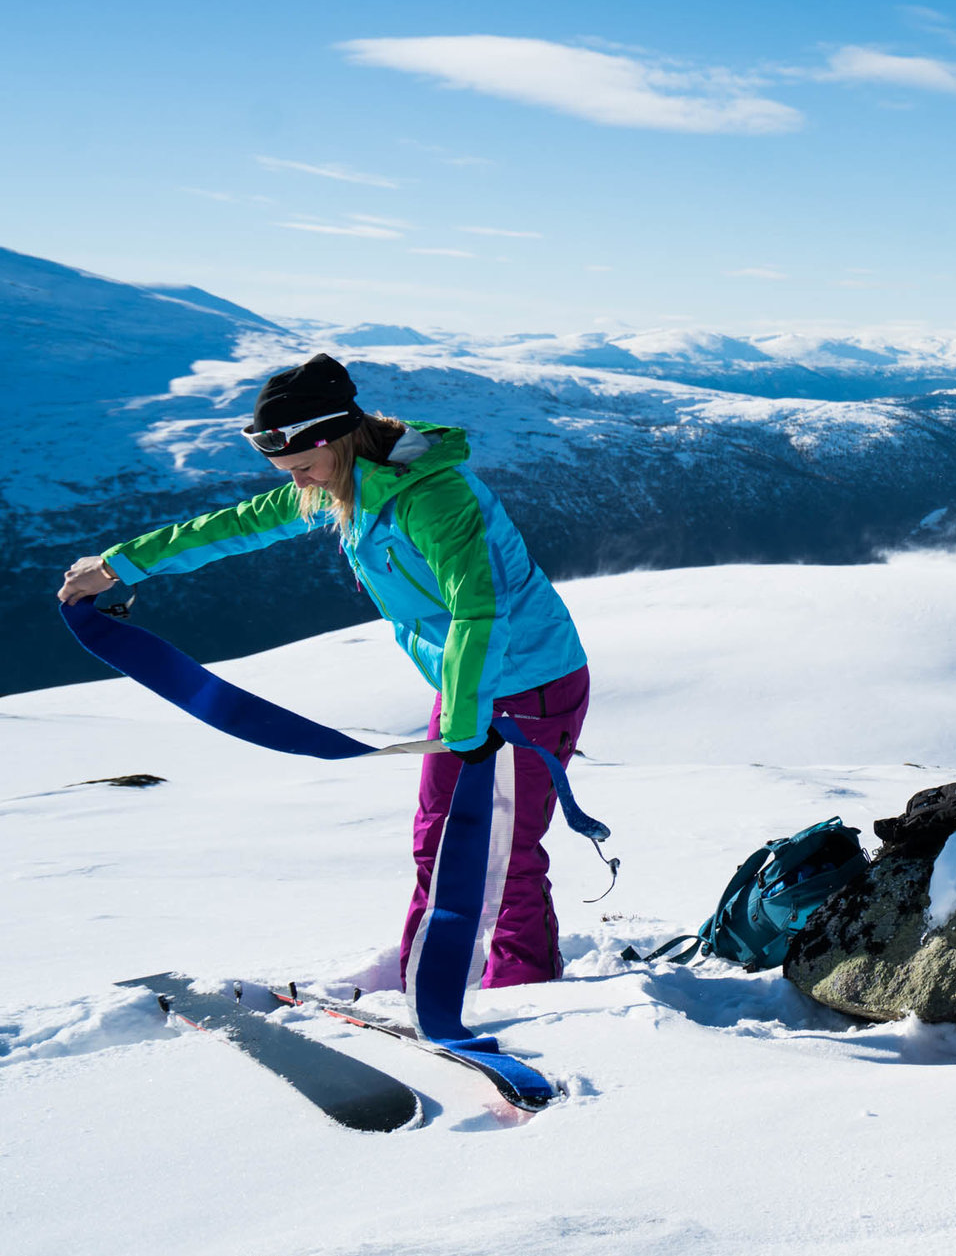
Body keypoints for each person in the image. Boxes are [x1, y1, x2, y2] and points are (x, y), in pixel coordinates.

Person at [56, 353, 590, 992]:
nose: (298, 483)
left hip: (526, 683)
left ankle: (525, 993)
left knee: (498, 856)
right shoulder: (347, 482)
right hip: (469, 685)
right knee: (438, 840)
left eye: (304, 467)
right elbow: (236, 527)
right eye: (288, 472)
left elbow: (480, 610)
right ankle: (433, 979)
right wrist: (118, 567)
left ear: (337, 436)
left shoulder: (432, 495)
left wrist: (469, 715)